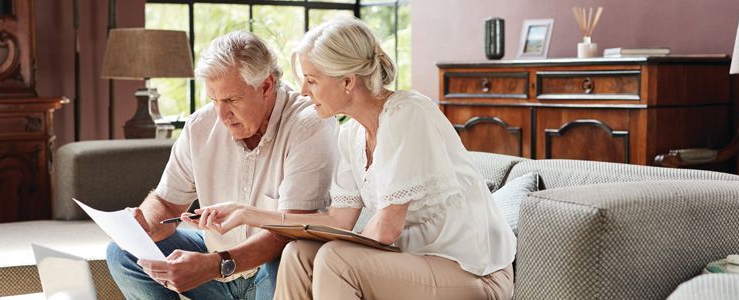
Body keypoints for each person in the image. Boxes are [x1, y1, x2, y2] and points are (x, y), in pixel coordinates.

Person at [186, 17, 517, 299]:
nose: (302, 91)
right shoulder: (352, 134)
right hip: (414, 264)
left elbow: (385, 231)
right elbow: (338, 222)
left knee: (334, 258)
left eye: (312, 80)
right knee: (299, 254)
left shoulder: (407, 113)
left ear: (347, 82)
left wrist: (337, 252)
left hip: (474, 274)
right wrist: (247, 214)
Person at [105, 31, 339, 300]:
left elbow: (289, 230)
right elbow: (167, 203)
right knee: (122, 252)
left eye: (231, 100)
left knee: (289, 254)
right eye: (214, 100)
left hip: (269, 270)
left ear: (266, 86)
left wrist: (216, 264)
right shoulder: (201, 126)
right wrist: (145, 226)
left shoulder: (309, 122)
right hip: (218, 267)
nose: (221, 115)